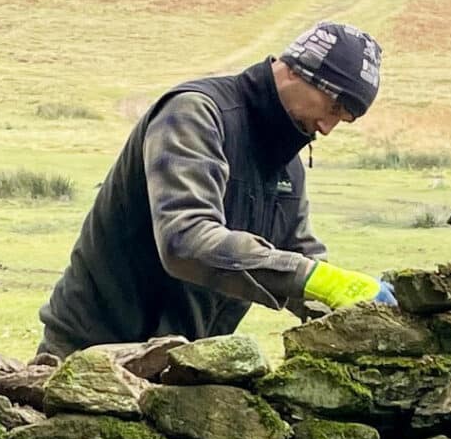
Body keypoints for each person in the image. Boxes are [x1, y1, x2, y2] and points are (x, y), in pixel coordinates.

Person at [37, 21, 396, 358]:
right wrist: (318, 280)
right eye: (332, 107)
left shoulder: (288, 165)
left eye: (343, 118)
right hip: (91, 355)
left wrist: (364, 309)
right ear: (295, 69)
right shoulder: (196, 113)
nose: (328, 127)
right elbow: (186, 241)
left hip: (182, 365)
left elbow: (300, 257)